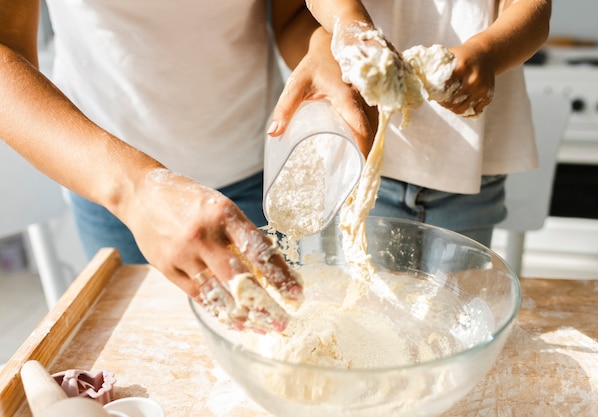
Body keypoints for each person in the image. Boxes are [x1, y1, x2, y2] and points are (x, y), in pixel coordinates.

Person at [0, 0, 377, 331]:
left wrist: (322, 46)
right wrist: (134, 190)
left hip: (255, 171)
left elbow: (292, 12)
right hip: (107, 178)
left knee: (275, 338)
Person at [271, 0, 552, 248]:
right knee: (366, 302)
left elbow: (533, 8)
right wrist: (348, 26)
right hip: (358, 162)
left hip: (467, 168)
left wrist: (487, 53)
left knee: (455, 301)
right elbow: (299, 14)